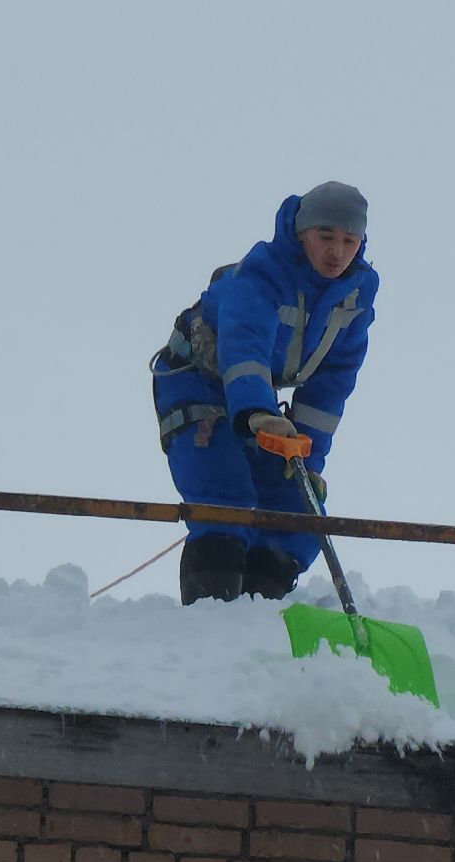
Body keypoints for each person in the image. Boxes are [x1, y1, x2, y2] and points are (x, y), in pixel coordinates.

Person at [149, 181, 377, 605]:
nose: (336, 251)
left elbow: (331, 388)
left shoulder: (353, 301)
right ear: (301, 233)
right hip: (198, 377)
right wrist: (256, 409)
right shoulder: (264, 273)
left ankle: (260, 617)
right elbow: (245, 342)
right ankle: (212, 618)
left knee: (294, 509)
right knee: (224, 492)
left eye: (349, 240)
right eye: (325, 236)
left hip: (260, 402)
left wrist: (305, 460)